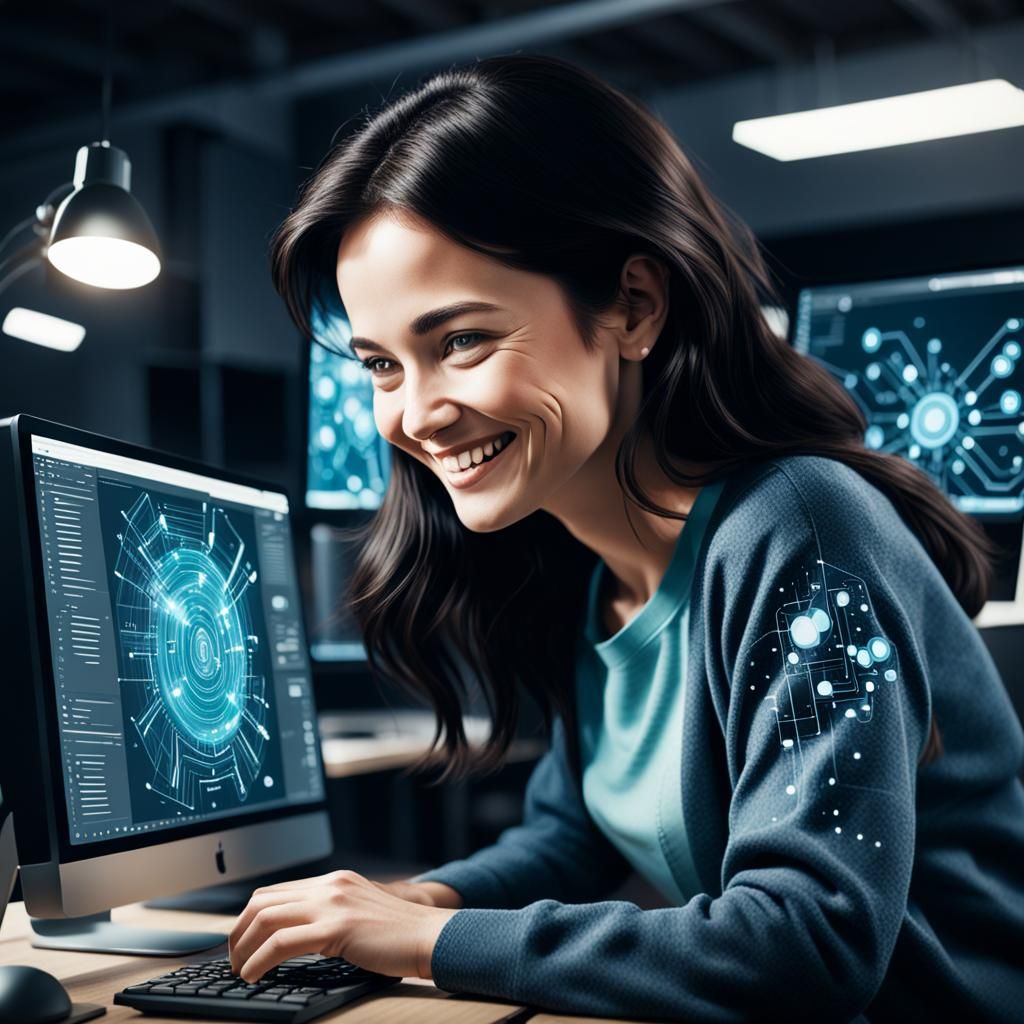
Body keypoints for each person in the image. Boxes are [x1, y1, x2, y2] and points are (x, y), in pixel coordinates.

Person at [227, 54, 1024, 1021]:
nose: (417, 413)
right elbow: (568, 840)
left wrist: (428, 942)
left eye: (462, 340)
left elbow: (811, 939)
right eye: (382, 364)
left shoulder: (801, 529)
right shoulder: (582, 556)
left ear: (634, 307)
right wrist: (415, 902)